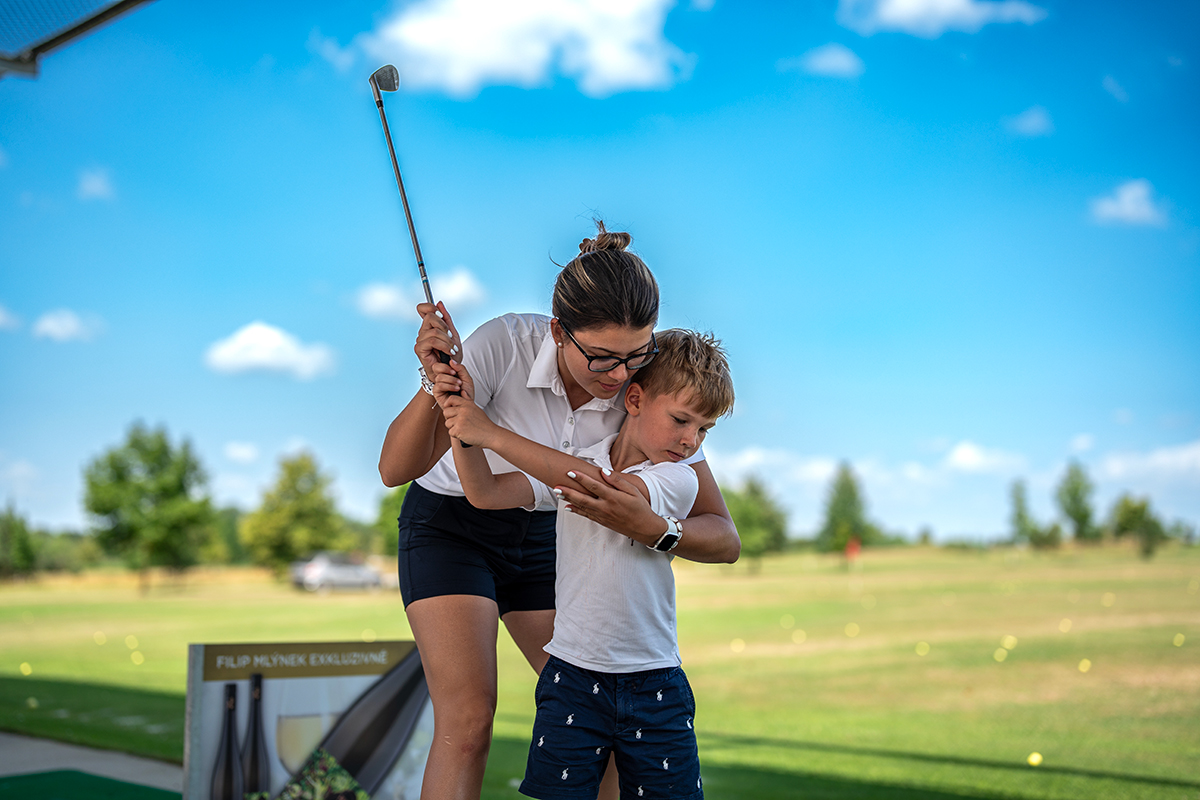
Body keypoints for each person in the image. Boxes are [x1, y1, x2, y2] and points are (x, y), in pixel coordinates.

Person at [377, 223, 740, 800]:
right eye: (601, 358)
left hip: (556, 527)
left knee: (602, 717)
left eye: (635, 356)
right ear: (558, 333)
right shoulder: (503, 343)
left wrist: (658, 530)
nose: (621, 377)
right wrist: (438, 384)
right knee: (469, 720)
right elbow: (397, 469)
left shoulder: (650, 391)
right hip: (451, 526)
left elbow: (719, 532)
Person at [433, 328, 734, 800]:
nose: (690, 441)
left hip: (654, 683)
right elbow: (485, 493)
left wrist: (491, 432)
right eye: (681, 420)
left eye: (703, 429)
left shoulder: (674, 479)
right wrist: (463, 427)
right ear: (634, 399)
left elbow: (603, 488)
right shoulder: (574, 461)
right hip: (570, 679)